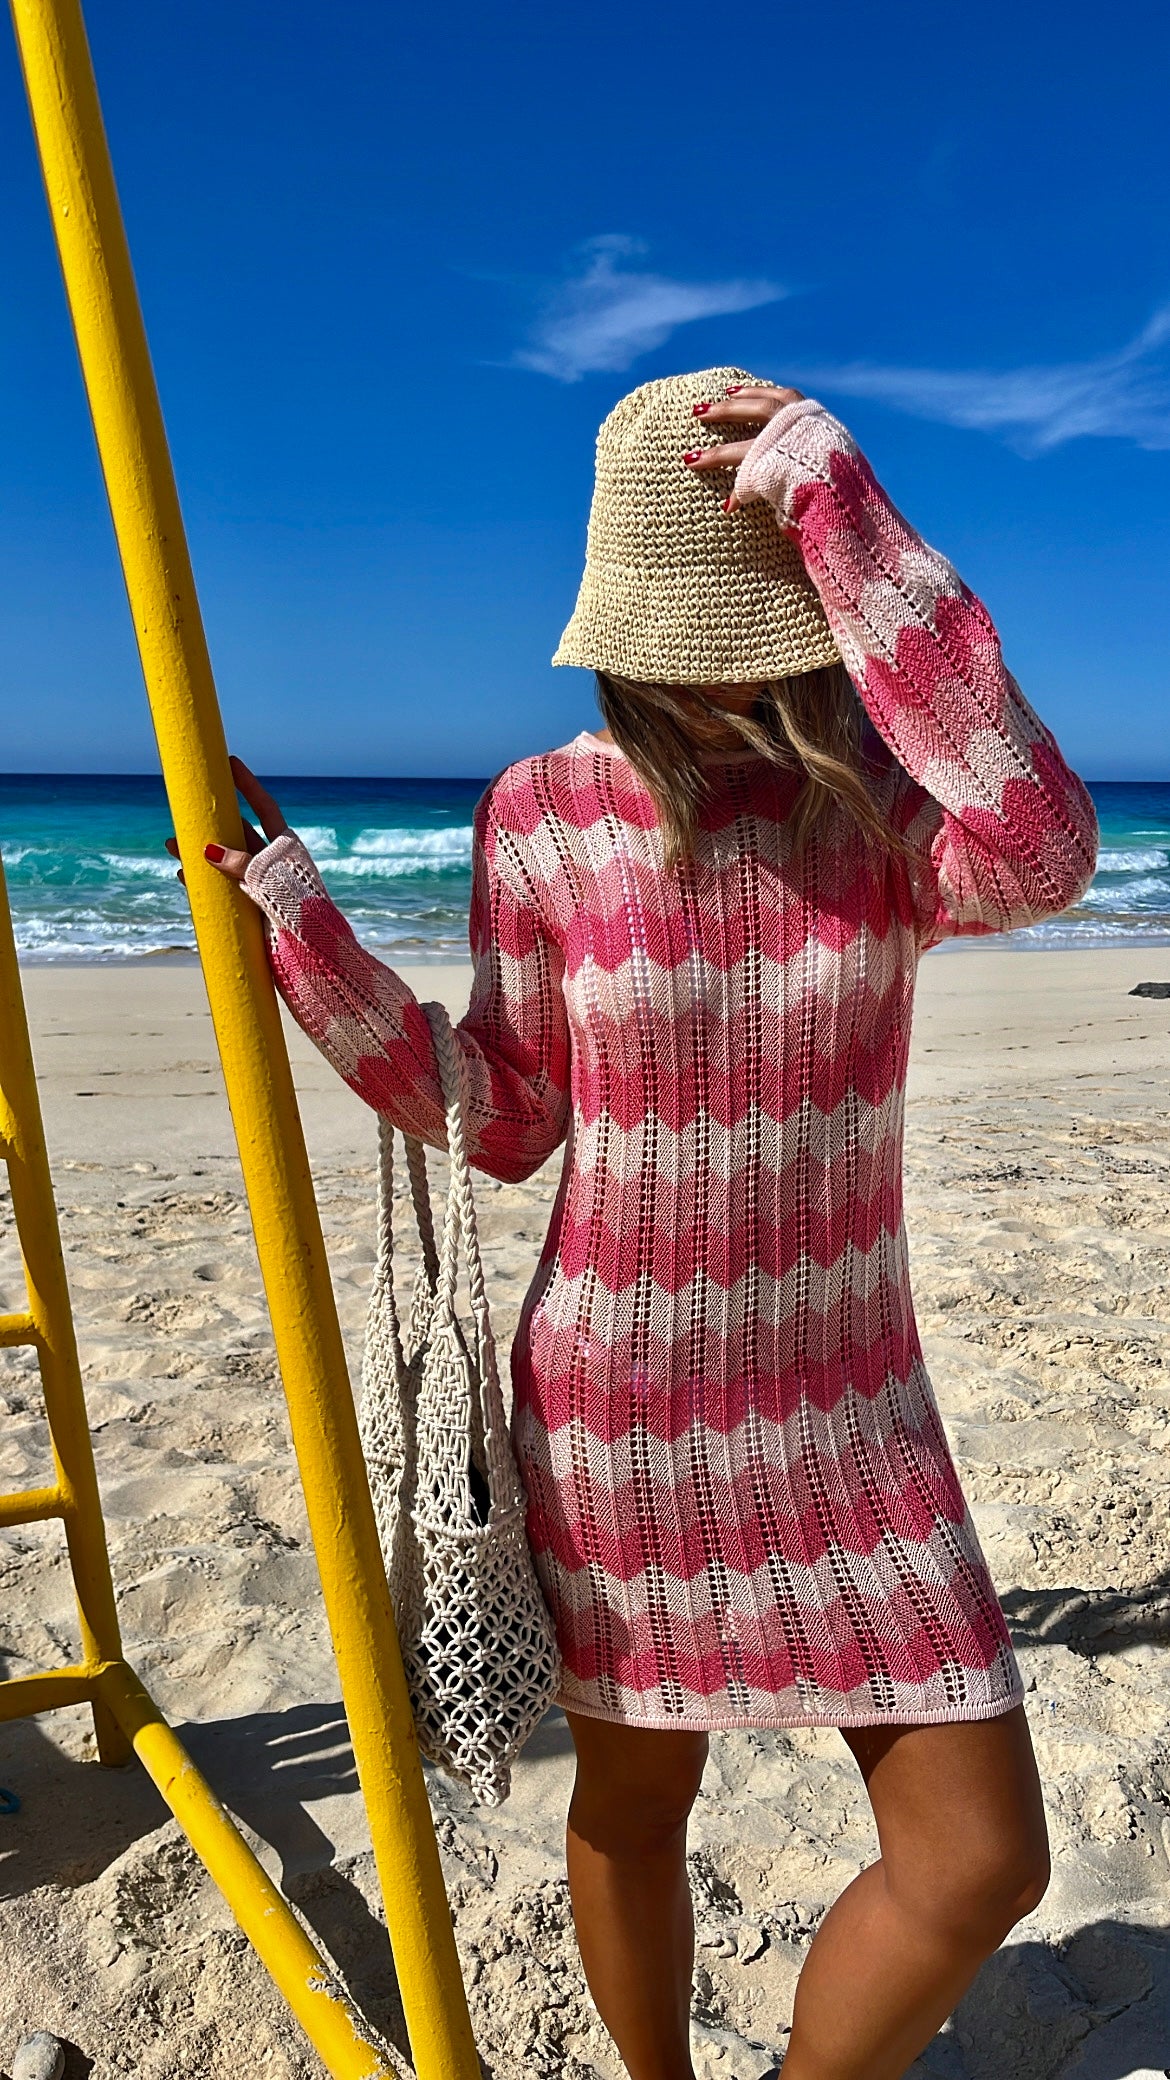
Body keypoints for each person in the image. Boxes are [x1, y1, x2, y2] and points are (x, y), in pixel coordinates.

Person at [172, 373, 1098, 2080]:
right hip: (623, 1417)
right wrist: (303, 932)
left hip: (853, 1411)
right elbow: (504, 1113)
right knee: (632, 1797)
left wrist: (849, 518)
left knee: (978, 1862)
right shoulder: (537, 817)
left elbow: (1042, 852)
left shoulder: (883, 811)